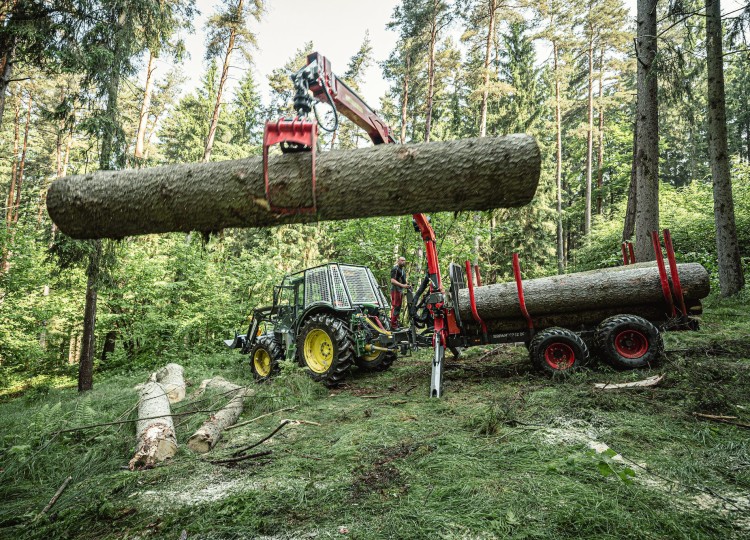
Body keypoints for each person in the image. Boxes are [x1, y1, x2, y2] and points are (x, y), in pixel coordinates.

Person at [389, 256, 411, 329]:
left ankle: (395, 323)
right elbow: (392, 280)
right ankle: (393, 325)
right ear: (398, 261)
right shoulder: (395, 269)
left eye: (404, 260)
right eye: (401, 260)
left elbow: (404, 282)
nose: (403, 262)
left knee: (398, 307)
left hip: (400, 290)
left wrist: (408, 285)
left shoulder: (402, 271)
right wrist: (402, 285)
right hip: (395, 290)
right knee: (396, 306)